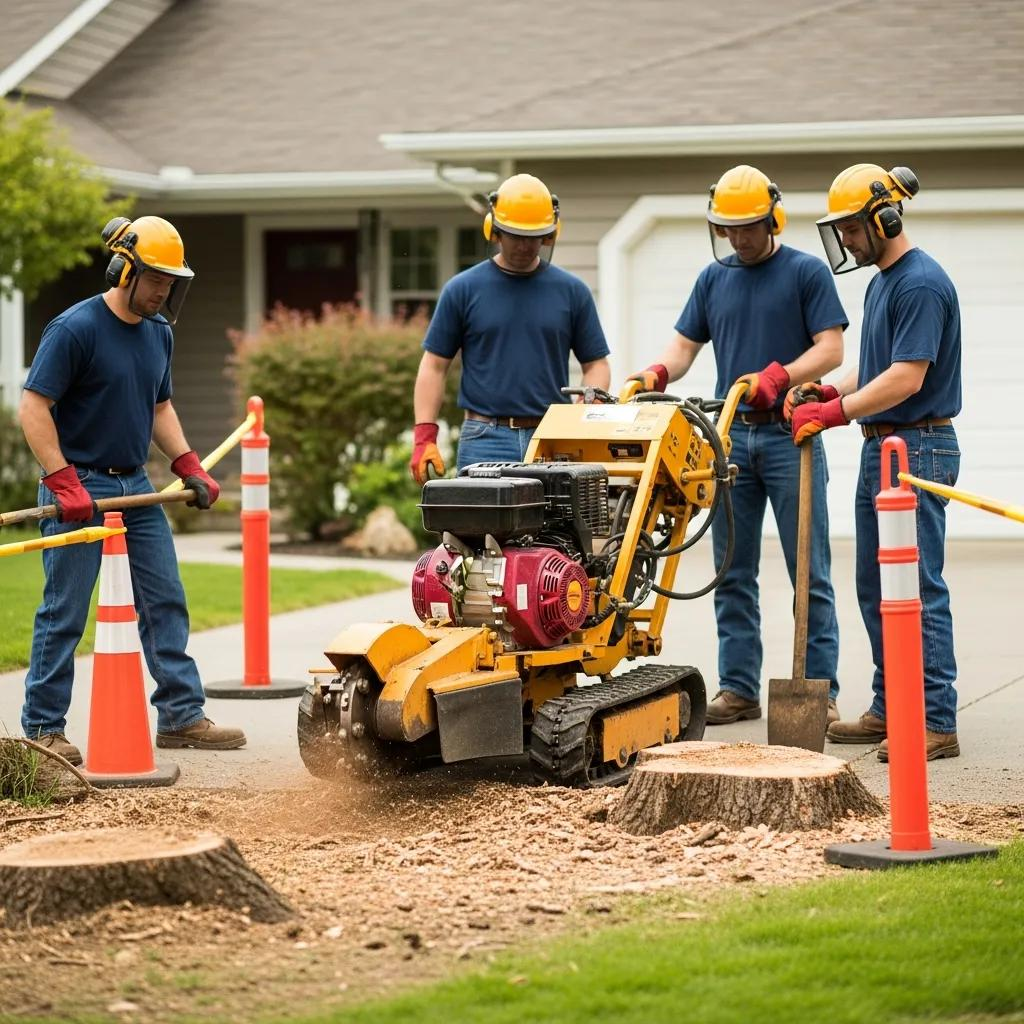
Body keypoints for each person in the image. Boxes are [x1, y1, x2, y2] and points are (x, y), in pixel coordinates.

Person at [18, 215, 246, 765]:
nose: (165, 290)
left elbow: (159, 405)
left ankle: (181, 714)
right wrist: (61, 478)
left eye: (173, 282)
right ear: (124, 269)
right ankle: (43, 729)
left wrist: (187, 462)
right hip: (80, 486)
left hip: (135, 486)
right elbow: (34, 406)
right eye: (157, 279)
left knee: (164, 597)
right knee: (65, 611)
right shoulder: (74, 329)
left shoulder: (159, 332)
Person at [626, 165, 847, 726]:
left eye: (748, 227)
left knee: (810, 572)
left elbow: (832, 349)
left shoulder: (805, 272)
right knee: (730, 568)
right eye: (728, 228)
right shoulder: (713, 278)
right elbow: (683, 347)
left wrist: (780, 375)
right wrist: (656, 372)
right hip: (728, 439)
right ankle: (740, 686)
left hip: (788, 436)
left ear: (771, 217)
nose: (739, 238)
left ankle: (820, 687)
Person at [786, 163, 962, 760]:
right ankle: (892, 706)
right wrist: (830, 392)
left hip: (918, 447)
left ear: (884, 218)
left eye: (853, 229)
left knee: (917, 585)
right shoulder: (883, 282)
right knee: (876, 586)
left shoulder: (919, 284)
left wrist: (835, 415)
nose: (847, 242)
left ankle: (935, 720)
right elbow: (878, 364)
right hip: (880, 446)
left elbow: (908, 379)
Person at [409, 173, 611, 481]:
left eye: (534, 237)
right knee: (477, 530)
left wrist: (589, 399)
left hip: (551, 437)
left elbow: (596, 364)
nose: (525, 245)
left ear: (550, 235)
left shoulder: (572, 292)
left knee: (552, 530)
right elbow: (434, 366)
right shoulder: (462, 289)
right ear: (495, 231)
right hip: (484, 438)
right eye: (516, 235)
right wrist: (425, 435)